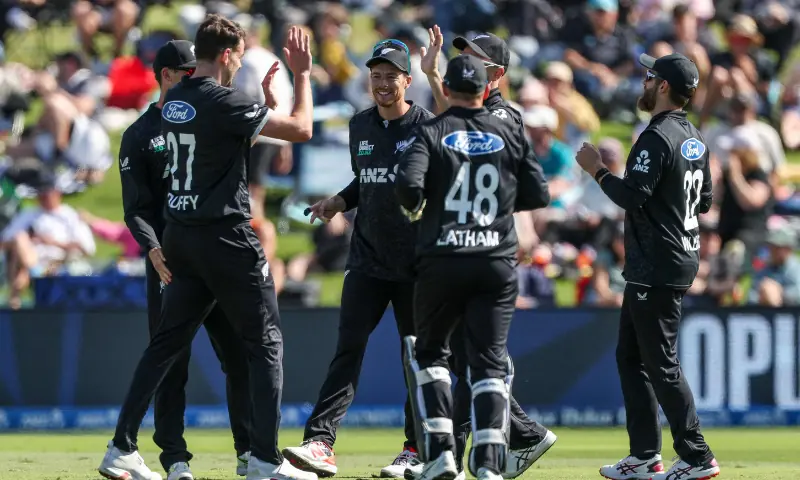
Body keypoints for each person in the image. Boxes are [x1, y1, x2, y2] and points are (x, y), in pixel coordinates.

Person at [97, 16, 316, 480]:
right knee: (265, 344)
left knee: (165, 346)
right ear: (226, 55)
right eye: (239, 55)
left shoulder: (175, 102)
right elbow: (302, 129)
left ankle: (121, 446)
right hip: (226, 238)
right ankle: (262, 459)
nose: (241, 63)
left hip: (183, 239)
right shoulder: (220, 99)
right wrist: (303, 75)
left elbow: (220, 140)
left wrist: (261, 111)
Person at [281, 38, 435, 479]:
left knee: (417, 360)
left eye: (392, 76)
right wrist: (337, 202)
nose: (383, 83)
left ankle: (415, 450)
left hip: (414, 268)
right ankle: (319, 443)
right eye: (377, 75)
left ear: (408, 80)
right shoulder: (360, 126)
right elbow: (367, 181)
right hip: (366, 261)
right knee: (346, 351)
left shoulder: (428, 128)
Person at [409, 27, 557, 479]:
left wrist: (519, 234)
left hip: (481, 246)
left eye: (471, 58)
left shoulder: (506, 116)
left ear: (494, 73)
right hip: (490, 251)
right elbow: (457, 118)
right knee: (471, 356)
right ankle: (483, 450)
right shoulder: (485, 113)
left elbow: (454, 129)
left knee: (471, 357)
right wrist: (436, 74)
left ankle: (464, 449)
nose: (465, 62)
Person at [574, 52, 720, 480]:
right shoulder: (693, 136)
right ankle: (643, 454)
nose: (644, 80)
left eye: (650, 76)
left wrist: (597, 170)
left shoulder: (657, 136)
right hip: (666, 259)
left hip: (657, 261)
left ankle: (696, 455)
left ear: (663, 87)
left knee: (660, 363)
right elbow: (705, 201)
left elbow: (632, 196)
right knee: (632, 357)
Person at [113, 39, 252, 480]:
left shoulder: (207, 117)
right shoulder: (139, 135)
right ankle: (174, 459)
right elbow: (134, 209)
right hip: (169, 262)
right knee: (171, 362)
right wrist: (153, 249)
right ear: (167, 75)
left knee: (239, 356)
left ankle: (249, 451)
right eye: (188, 72)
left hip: (213, 252)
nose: (197, 79)